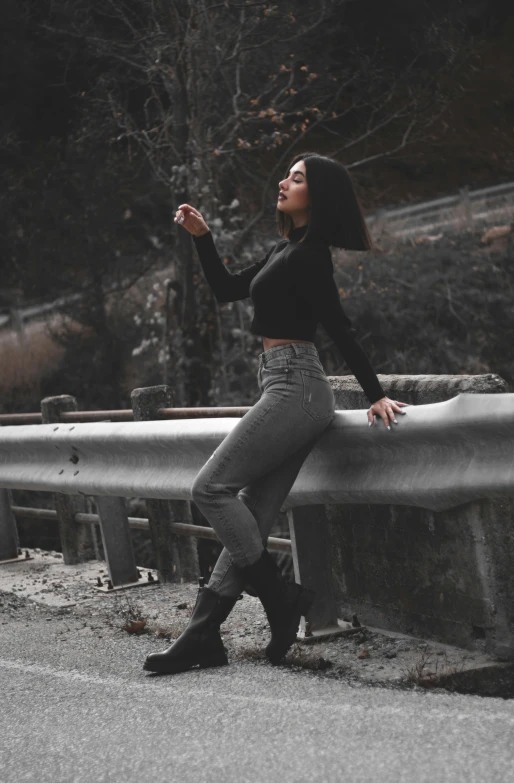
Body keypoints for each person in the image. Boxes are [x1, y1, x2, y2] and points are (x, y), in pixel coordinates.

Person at [143, 152, 408, 674]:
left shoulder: (312, 256)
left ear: (318, 195)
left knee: (209, 488)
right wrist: (202, 237)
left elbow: (338, 326)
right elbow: (225, 290)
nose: (284, 183)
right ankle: (204, 638)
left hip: (299, 386)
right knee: (253, 513)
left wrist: (374, 392)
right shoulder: (281, 250)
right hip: (279, 382)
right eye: (287, 174)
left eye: (298, 178)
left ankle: (280, 600)